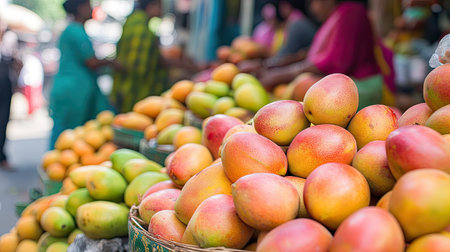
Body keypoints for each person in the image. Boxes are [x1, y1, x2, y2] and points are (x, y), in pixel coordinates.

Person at [259, 0, 396, 109]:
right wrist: (272, 66)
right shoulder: (337, 15)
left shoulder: (351, 12)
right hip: (346, 85)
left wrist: (282, 74)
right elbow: (311, 55)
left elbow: (336, 62)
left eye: (314, 2)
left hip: (361, 86)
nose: (313, 8)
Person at [112, 0, 202, 113]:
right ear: (152, 6)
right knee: (135, 115)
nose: (162, 11)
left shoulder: (133, 21)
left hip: (125, 85)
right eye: (160, 6)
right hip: (136, 88)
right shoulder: (140, 28)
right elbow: (142, 64)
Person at [49, 0, 113, 148]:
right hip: (72, 90)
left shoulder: (75, 30)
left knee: (72, 135)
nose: (91, 9)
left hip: (73, 88)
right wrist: (113, 62)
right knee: (65, 136)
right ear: (80, 8)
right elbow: (91, 61)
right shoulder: (75, 31)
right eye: (88, 5)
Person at [0, 21, 20, 170]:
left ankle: (2, 156)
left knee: (3, 122)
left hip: (5, 88)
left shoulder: (9, 40)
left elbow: (18, 63)